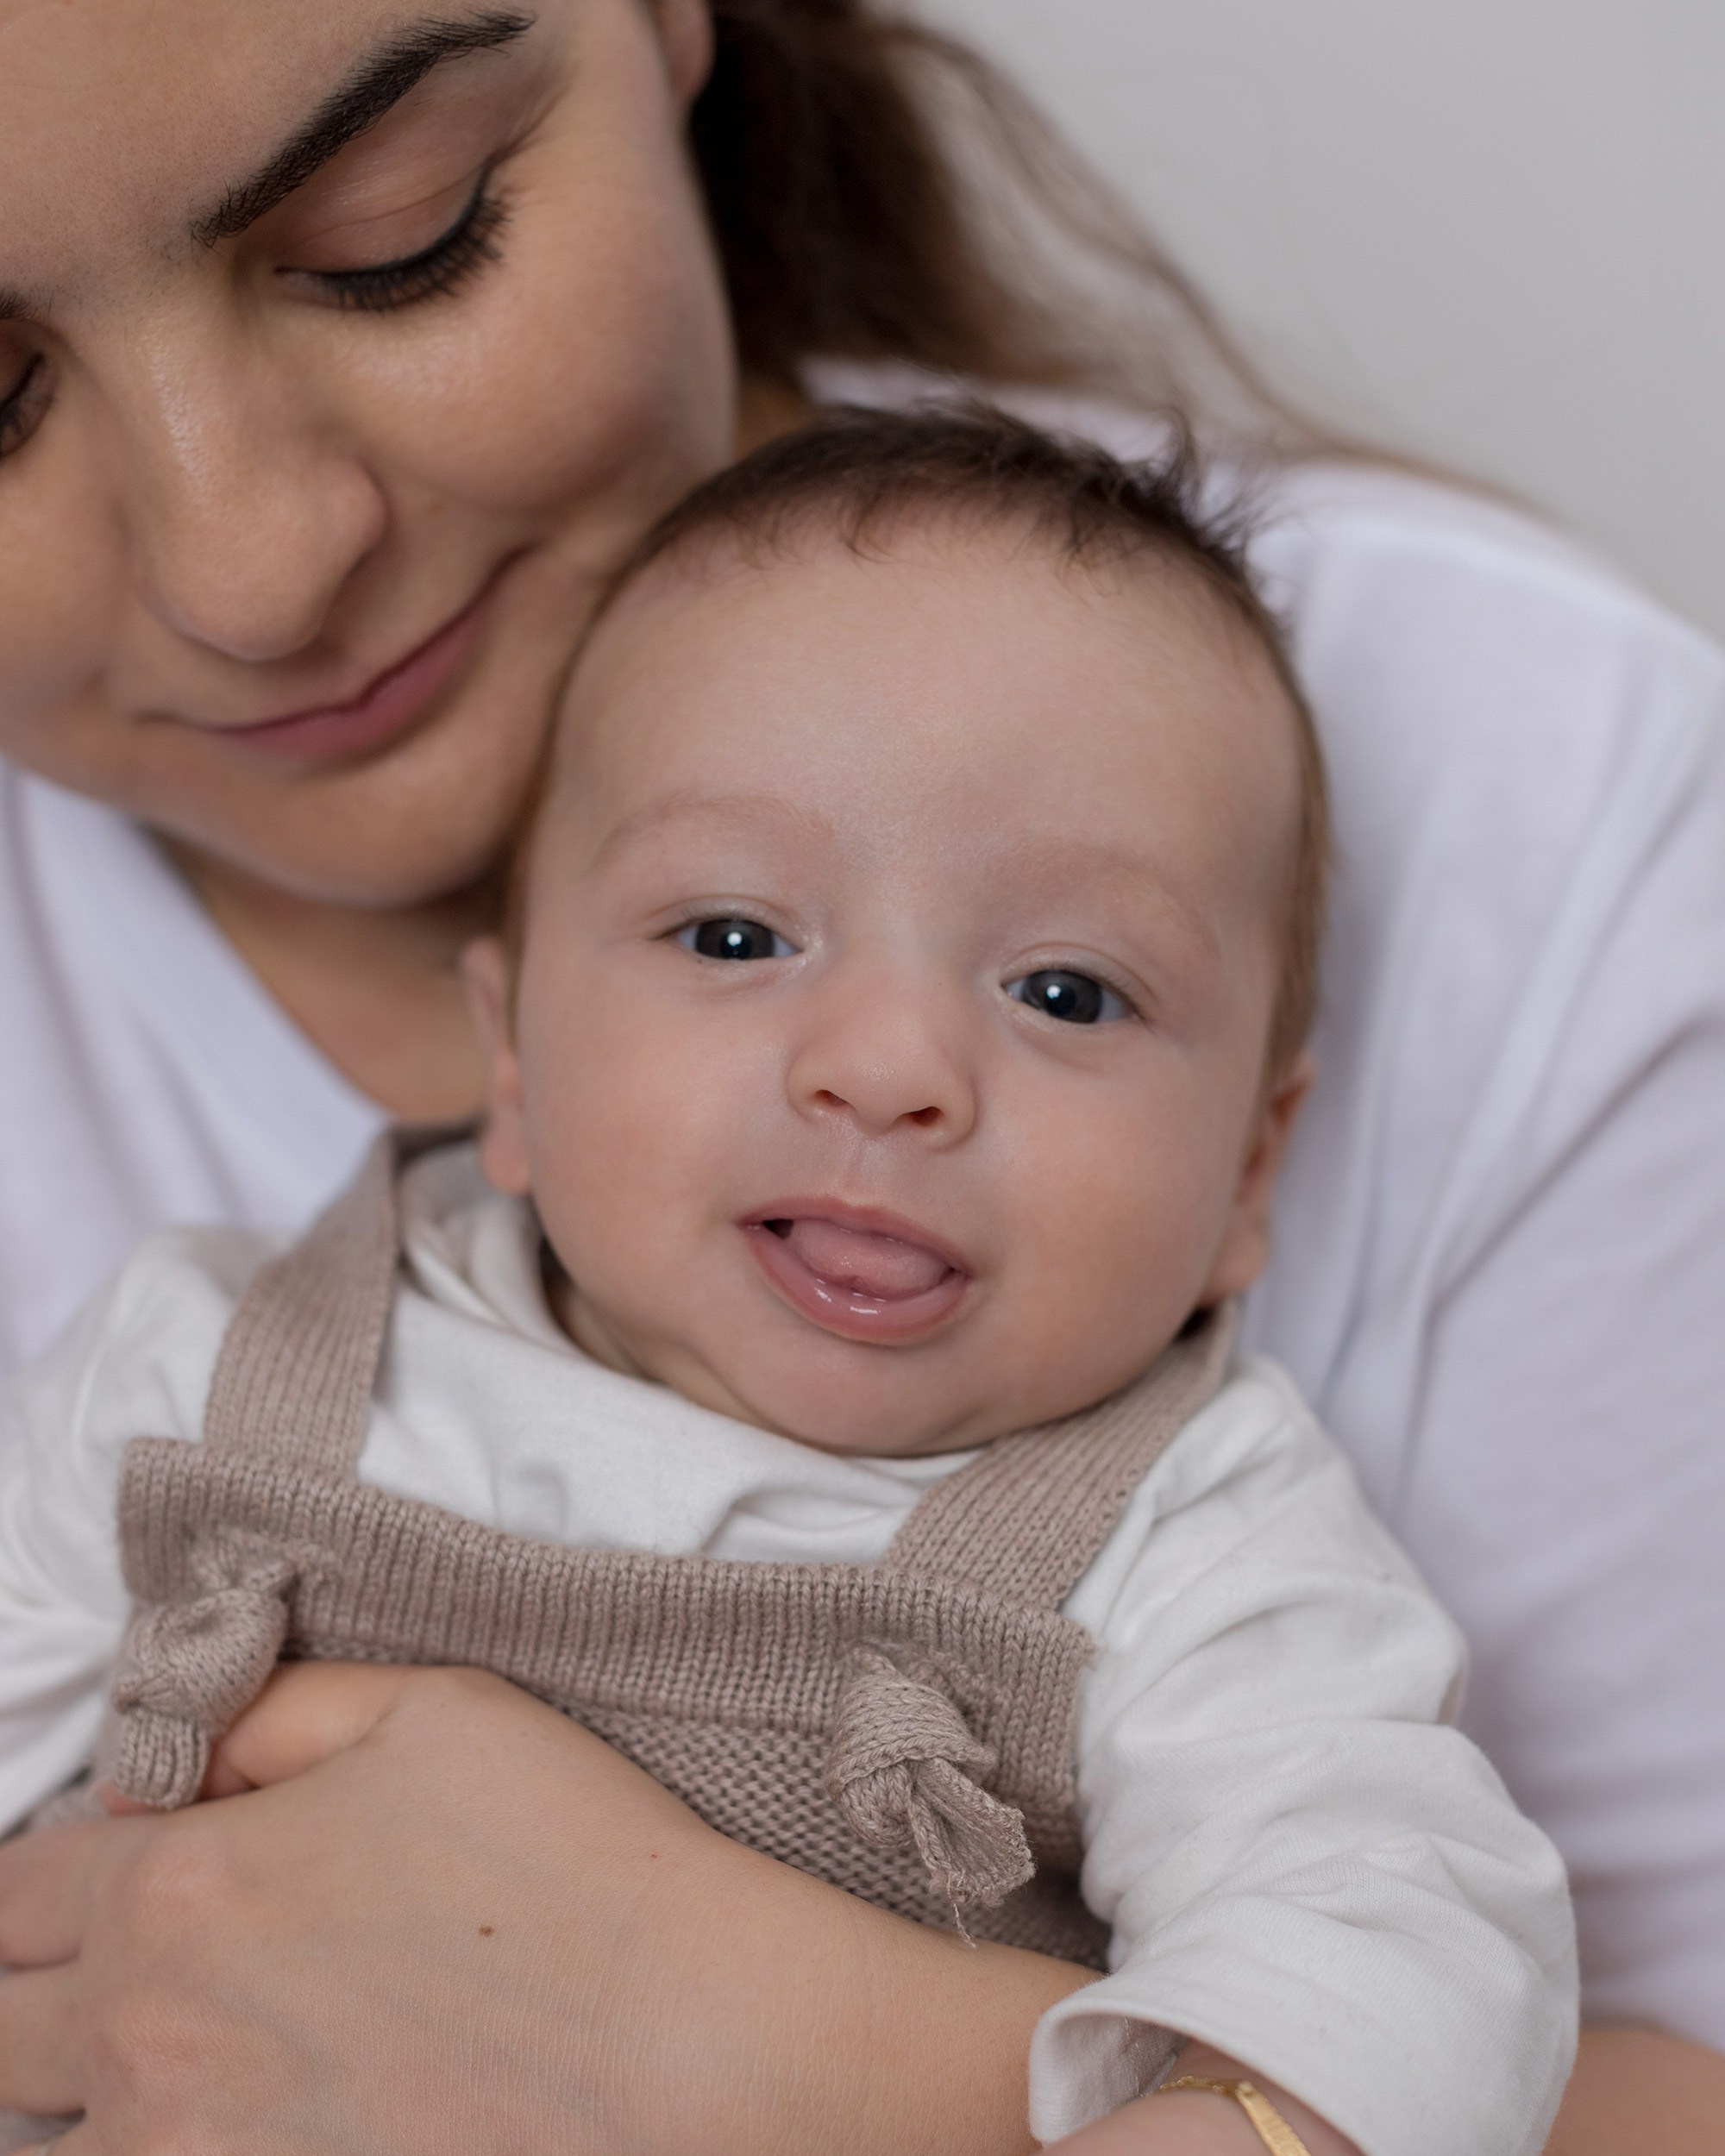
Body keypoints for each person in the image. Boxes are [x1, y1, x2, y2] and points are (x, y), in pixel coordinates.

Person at [0, 1, 1717, 2149]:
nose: (253, 569)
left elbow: (1419, 1958)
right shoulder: (197, 1368)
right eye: (731, 941)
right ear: (504, 1061)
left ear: (1250, 1171)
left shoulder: (1204, 1561)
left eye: (396, 234)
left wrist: (827, 2075)